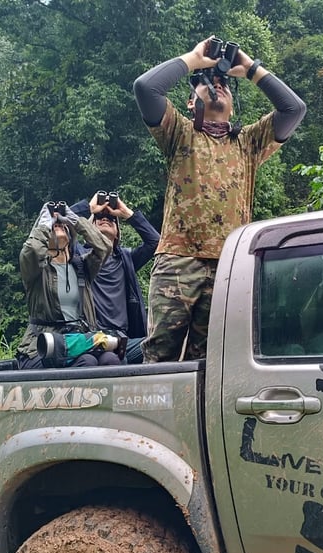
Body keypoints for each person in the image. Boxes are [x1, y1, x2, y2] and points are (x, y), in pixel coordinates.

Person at [133, 36, 306, 362]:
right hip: (177, 262)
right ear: (189, 103)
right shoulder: (180, 132)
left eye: (224, 83)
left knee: (212, 364)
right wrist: (195, 60)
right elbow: (146, 88)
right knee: (159, 358)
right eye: (206, 83)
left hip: (229, 267)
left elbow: (294, 109)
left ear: (234, 104)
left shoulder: (250, 142)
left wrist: (251, 68)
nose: (218, 85)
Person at [16, 202, 121, 369]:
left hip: (78, 342)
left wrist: (74, 220)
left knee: (111, 359)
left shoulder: (81, 267)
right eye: (52, 226)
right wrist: (44, 222)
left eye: (62, 226)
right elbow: (32, 250)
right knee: (88, 362)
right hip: (42, 347)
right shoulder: (37, 270)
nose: (57, 225)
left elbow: (104, 247)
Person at [69, 192, 160, 363]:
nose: (105, 218)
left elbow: (155, 242)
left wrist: (127, 214)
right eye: (99, 218)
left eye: (111, 219)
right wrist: (89, 208)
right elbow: (61, 226)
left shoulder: (126, 259)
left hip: (122, 338)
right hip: (91, 337)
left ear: (117, 234)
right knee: (114, 360)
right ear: (88, 229)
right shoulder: (78, 257)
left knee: (159, 346)